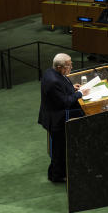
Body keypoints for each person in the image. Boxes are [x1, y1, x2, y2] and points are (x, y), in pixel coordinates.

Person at [38, 53, 90, 182]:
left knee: (59, 148)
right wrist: (79, 94)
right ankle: (57, 176)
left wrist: (71, 88)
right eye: (69, 65)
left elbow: (61, 89)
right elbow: (64, 102)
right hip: (56, 120)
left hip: (54, 116)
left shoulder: (51, 72)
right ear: (60, 67)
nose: (71, 66)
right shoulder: (53, 81)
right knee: (59, 150)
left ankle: (56, 173)